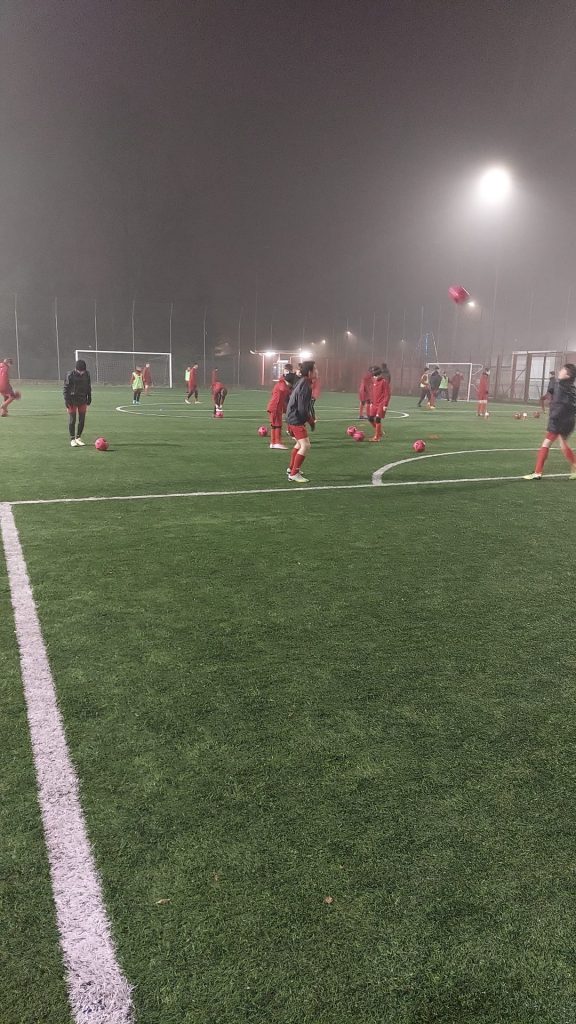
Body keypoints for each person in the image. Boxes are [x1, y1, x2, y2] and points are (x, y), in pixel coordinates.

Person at [524, 364, 576, 480]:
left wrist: (553, 417)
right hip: (569, 421)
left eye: (563, 370)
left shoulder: (559, 385)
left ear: (567, 375)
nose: (560, 371)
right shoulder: (571, 388)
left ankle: (537, 472)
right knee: (563, 445)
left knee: (546, 444)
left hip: (559, 421)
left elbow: (559, 404)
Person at [285, 360, 316, 483]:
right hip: (296, 418)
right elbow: (302, 408)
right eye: (315, 369)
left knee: (299, 444)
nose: (317, 371)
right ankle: (294, 473)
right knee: (305, 445)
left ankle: (291, 469)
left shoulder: (301, 381)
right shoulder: (305, 385)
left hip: (292, 417)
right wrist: (310, 420)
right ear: (310, 372)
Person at [64, 359, 92, 447]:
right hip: (72, 400)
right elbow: (66, 388)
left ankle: (78, 438)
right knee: (72, 420)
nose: (81, 372)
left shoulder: (87, 374)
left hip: (82, 399)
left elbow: (88, 386)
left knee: (82, 419)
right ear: (76, 369)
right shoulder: (70, 375)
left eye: (83, 371)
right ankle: (72, 439)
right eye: (80, 371)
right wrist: (66, 400)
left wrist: (89, 396)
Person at [266, 366, 296, 449]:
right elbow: (283, 389)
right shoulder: (282, 384)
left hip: (275, 407)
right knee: (277, 425)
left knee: (274, 425)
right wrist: (291, 390)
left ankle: (273, 443)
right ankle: (277, 442)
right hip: (275, 407)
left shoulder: (281, 383)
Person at [368, 365, 391, 442]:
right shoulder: (373, 381)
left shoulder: (384, 382)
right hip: (374, 404)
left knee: (378, 419)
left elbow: (387, 394)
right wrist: (371, 402)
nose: (374, 376)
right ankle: (379, 432)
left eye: (375, 374)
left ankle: (377, 437)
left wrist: (385, 405)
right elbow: (372, 392)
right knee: (370, 418)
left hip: (381, 403)